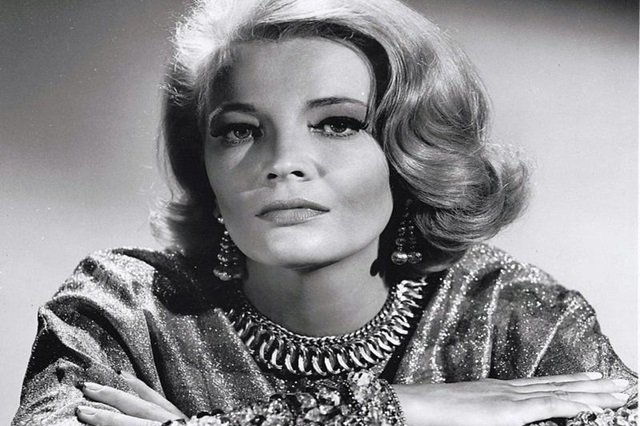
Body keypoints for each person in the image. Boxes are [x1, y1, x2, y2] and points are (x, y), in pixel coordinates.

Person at [12, 0, 637, 425]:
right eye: (239, 130)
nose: (283, 162)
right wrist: (395, 410)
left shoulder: (513, 311)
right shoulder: (126, 307)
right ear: (202, 163)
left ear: (410, 153)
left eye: (337, 124)